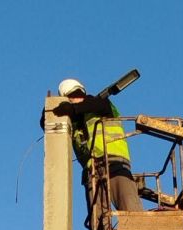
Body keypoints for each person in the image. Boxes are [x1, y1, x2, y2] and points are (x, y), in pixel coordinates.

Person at [53, 78, 143, 217]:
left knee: (132, 213)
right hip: (92, 172)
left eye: (78, 94)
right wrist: (49, 113)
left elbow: (96, 105)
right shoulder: (74, 124)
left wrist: (73, 109)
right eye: (71, 96)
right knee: (99, 223)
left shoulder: (101, 104)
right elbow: (51, 128)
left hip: (115, 163)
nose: (76, 98)